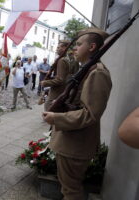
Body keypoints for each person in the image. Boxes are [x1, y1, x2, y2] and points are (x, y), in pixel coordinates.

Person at [42, 28, 112, 200]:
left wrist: (56, 117)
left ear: (92, 47)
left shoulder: (98, 73)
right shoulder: (88, 69)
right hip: (71, 140)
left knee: (71, 191)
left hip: (76, 144)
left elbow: (90, 114)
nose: (74, 48)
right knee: (68, 188)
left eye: (79, 44)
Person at [41, 41, 70, 111]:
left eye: (58, 47)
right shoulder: (66, 59)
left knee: (49, 109)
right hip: (61, 90)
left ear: (64, 48)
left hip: (57, 91)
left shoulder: (62, 60)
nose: (56, 49)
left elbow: (60, 79)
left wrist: (45, 83)